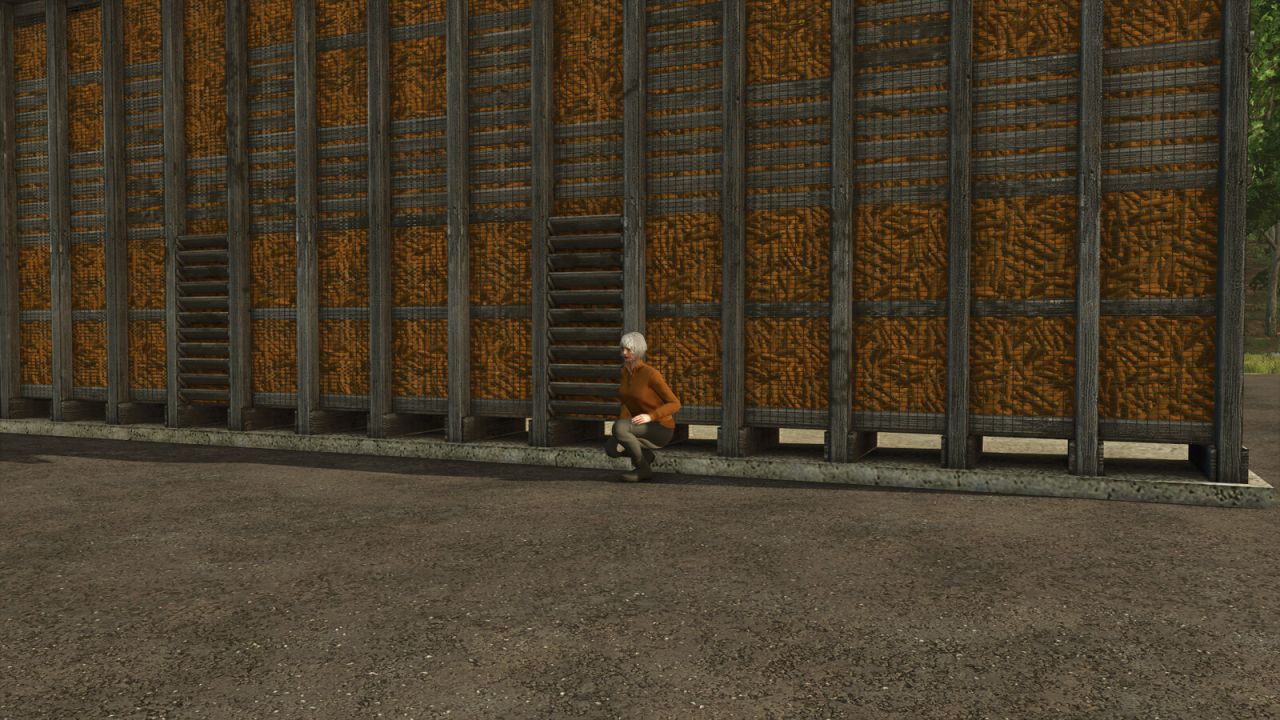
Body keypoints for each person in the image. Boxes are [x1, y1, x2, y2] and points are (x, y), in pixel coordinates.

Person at [605, 332, 681, 482]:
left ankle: (642, 468)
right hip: (638, 425)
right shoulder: (624, 372)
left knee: (619, 428)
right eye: (623, 349)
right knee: (611, 449)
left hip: (660, 427)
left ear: (638, 350)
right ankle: (646, 456)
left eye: (629, 350)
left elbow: (675, 403)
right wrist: (622, 424)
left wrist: (650, 416)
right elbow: (626, 402)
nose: (624, 353)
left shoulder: (651, 374)